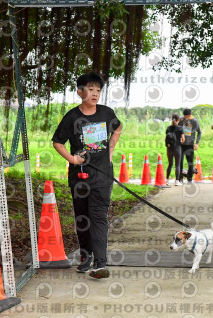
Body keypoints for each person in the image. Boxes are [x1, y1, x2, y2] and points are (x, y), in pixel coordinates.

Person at [52, 72, 122, 279]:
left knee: (98, 217)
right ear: (79, 91)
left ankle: (101, 263)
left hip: (102, 177)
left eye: (98, 90)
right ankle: (85, 256)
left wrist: (109, 151)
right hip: (79, 177)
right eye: (90, 89)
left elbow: (117, 128)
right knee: (82, 218)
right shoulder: (72, 117)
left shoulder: (106, 113)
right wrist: (72, 160)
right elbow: (57, 142)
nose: (95, 94)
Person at [178, 108, 201, 184]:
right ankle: (180, 179)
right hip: (181, 145)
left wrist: (196, 143)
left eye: (187, 116)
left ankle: (189, 179)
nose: (186, 118)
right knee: (180, 162)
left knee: (190, 163)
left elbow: (199, 132)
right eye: (185, 116)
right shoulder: (181, 120)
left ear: (190, 115)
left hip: (190, 145)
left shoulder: (194, 121)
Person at [165, 113, 185, 186]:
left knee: (170, 164)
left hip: (169, 149)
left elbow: (165, 138)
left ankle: (167, 180)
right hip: (177, 148)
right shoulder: (180, 128)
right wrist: (179, 140)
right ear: (178, 120)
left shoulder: (168, 128)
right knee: (177, 165)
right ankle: (177, 181)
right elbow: (183, 139)